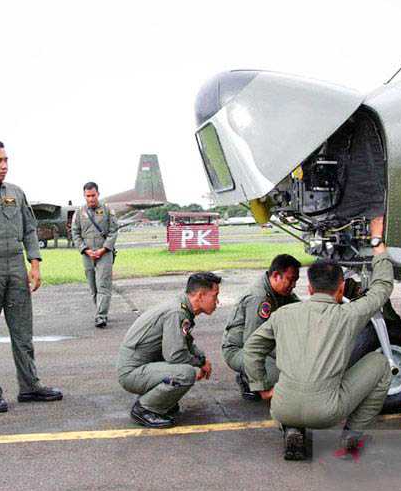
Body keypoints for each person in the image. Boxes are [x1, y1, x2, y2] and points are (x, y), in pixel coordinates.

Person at [244, 217, 393, 461]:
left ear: (310, 289)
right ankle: (351, 438)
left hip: (281, 409)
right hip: (326, 412)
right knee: (381, 365)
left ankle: (293, 429)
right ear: (341, 288)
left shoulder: (283, 314)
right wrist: (377, 242)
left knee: (296, 375)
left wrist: (259, 387)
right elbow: (382, 287)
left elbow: (251, 348)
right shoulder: (349, 314)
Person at [0, 140, 63, 413]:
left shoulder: (16, 193)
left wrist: (35, 264)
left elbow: (30, 229)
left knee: (23, 332)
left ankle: (29, 386)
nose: (4, 165)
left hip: (16, 266)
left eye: (6, 160)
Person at [117, 272, 219, 428]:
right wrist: (199, 362)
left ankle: (157, 400)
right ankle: (144, 409)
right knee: (185, 374)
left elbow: (187, 342)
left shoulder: (181, 306)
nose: (217, 301)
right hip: (132, 373)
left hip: (140, 366)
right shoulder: (177, 312)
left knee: (181, 373)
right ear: (200, 296)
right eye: (214, 296)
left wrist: (202, 359)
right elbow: (175, 355)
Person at [222, 254, 300, 400]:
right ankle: (248, 380)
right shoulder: (259, 298)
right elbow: (253, 341)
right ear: (276, 275)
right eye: (291, 280)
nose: (294, 285)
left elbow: (301, 310)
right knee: (283, 375)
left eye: (296, 280)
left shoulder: (281, 291)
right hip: (240, 350)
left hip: (259, 346)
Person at [70, 182, 118, 328]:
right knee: (93, 287)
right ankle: (100, 310)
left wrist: (104, 249)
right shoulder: (79, 213)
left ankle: (101, 316)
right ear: (84, 196)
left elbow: (113, 231)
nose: (91, 199)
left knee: (103, 285)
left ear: (98, 194)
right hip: (87, 254)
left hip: (104, 253)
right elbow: (75, 233)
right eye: (88, 196)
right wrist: (85, 249)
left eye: (93, 195)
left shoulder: (108, 210)